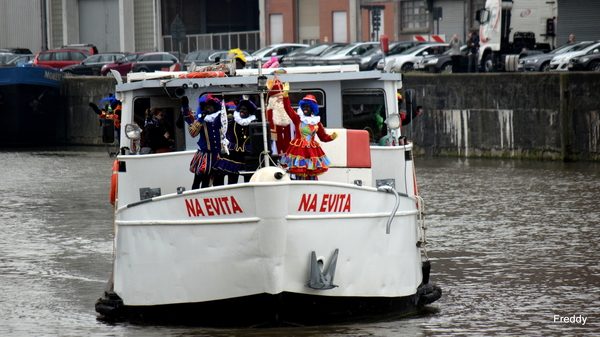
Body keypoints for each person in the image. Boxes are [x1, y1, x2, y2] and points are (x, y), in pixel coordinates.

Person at [279, 93, 338, 180]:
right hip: (299, 150)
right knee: (299, 171)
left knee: (312, 172)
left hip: (311, 151)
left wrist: (332, 137)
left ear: (313, 108)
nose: (305, 108)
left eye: (308, 106)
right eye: (304, 106)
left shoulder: (316, 122)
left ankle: (312, 189)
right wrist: (285, 97)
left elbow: (323, 137)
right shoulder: (298, 119)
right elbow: (288, 109)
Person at [181, 94, 226, 189]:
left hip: (218, 156)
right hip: (205, 156)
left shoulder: (222, 119)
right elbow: (193, 133)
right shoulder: (199, 118)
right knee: (200, 182)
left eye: (210, 105)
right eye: (206, 105)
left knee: (219, 183)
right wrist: (200, 119)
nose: (208, 107)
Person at [214, 98, 258, 184]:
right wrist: (222, 114)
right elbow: (216, 124)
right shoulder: (232, 120)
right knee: (232, 179)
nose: (242, 110)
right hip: (233, 153)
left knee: (248, 179)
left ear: (249, 112)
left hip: (247, 155)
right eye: (240, 108)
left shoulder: (254, 123)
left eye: (244, 109)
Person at [266, 78, 293, 157]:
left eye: (282, 98)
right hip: (275, 140)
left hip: (288, 137)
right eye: (279, 98)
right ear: (273, 100)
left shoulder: (288, 111)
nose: (282, 101)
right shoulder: (268, 112)